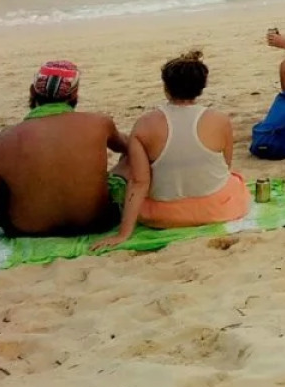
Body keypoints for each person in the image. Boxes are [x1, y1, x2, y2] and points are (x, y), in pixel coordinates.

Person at [97, 51, 248, 250]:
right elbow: (225, 167)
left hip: (163, 216)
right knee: (234, 179)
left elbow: (139, 182)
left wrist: (124, 233)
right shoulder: (220, 120)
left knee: (127, 171)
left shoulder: (145, 125)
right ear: (201, 88)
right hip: (219, 208)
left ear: (166, 88)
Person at [0, 62, 141, 238]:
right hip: (97, 223)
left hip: (27, 231)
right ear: (75, 94)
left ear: (32, 91)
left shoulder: (1, 140)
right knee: (133, 156)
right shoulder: (99, 123)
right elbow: (131, 147)